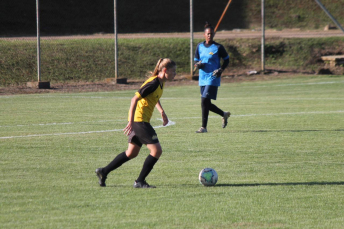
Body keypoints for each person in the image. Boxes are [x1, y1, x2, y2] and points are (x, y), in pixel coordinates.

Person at [95, 58, 176, 188]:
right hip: (140, 121)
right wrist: (131, 122)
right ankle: (139, 181)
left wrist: (162, 111)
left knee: (131, 153)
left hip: (140, 121)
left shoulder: (161, 82)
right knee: (156, 151)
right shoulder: (154, 83)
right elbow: (134, 99)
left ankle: (103, 171)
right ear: (165, 70)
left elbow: (154, 97)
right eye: (173, 71)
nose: (175, 74)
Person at [194, 22, 231, 133]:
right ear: (204, 34)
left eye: (211, 33)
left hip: (213, 77)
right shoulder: (199, 46)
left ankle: (203, 127)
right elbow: (196, 61)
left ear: (214, 34)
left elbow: (227, 60)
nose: (209, 35)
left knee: (204, 100)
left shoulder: (218, 47)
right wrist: (198, 65)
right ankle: (223, 114)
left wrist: (221, 70)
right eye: (208, 34)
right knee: (206, 103)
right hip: (202, 78)